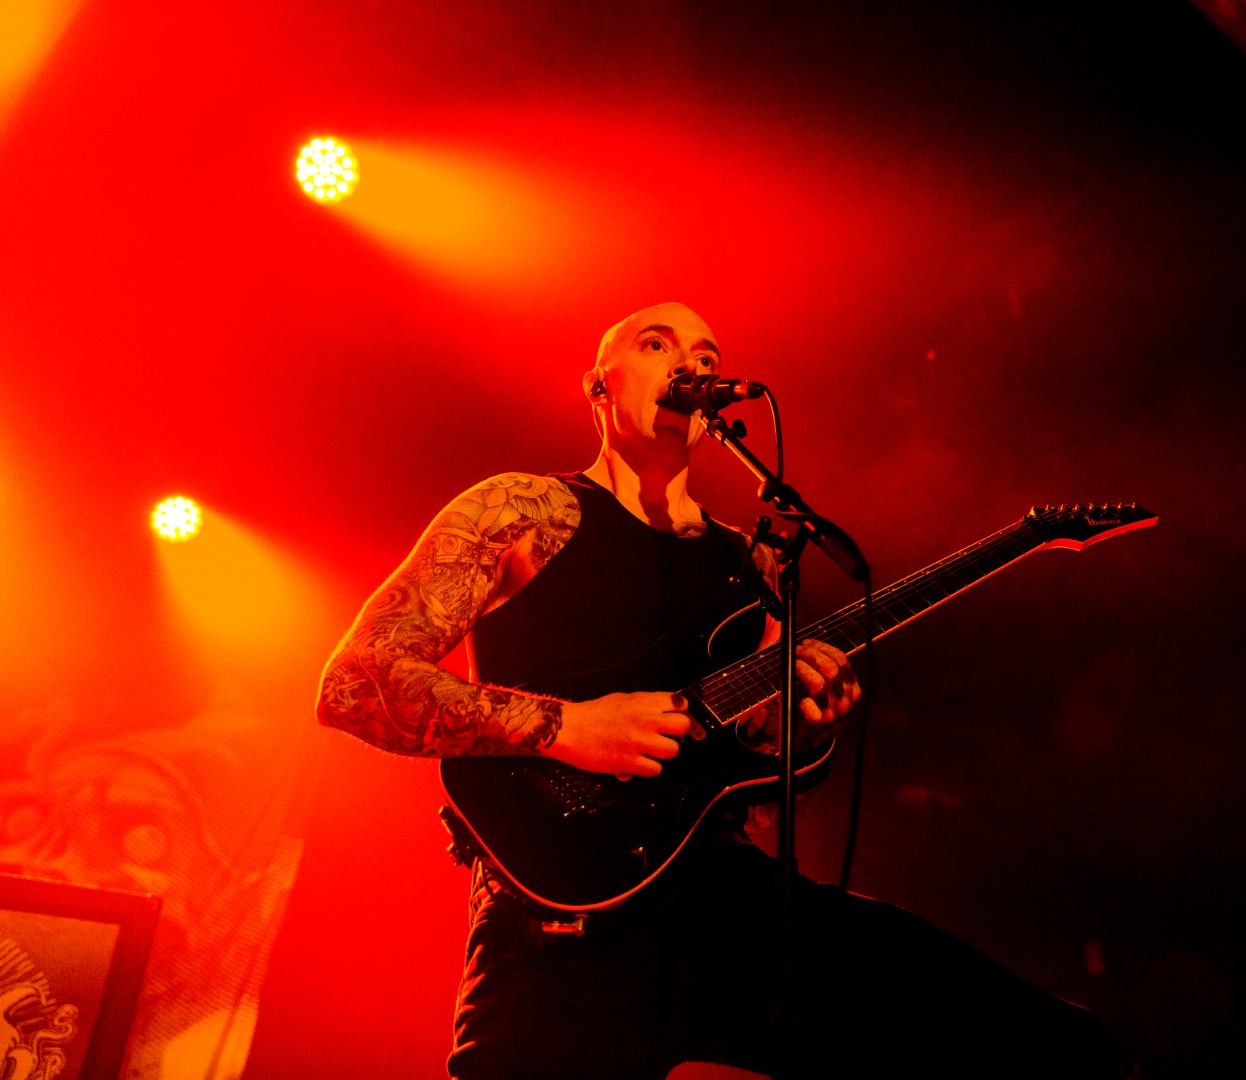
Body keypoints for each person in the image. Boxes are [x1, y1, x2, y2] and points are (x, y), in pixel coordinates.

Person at [316, 302, 1124, 1079]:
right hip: (555, 922)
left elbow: (754, 783)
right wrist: (569, 728)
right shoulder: (525, 508)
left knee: (1048, 1044)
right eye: (657, 345)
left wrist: (804, 727)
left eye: (706, 357)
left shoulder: (752, 561)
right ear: (598, 385)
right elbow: (355, 683)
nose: (689, 365)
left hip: (723, 900)